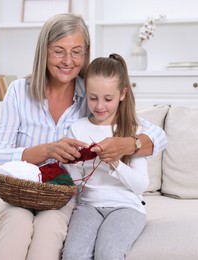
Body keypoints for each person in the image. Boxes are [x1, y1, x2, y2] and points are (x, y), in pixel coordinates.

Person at [0, 13, 166, 260]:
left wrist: (127, 144)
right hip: (10, 192)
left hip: (59, 197)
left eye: (76, 51)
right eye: (58, 51)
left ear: (86, 53)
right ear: (44, 52)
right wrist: (46, 151)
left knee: (49, 230)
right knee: (18, 222)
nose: (68, 60)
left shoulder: (92, 94)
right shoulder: (18, 92)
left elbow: (156, 135)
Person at [61, 53, 148, 260]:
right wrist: (70, 161)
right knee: (73, 255)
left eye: (108, 99)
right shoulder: (77, 128)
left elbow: (140, 185)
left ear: (122, 94)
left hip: (126, 207)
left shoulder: (133, 130)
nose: (99, 106)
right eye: (93, 98)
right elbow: (75, 186)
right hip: (88, 206)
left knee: (108, 254)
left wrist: (116, 162)